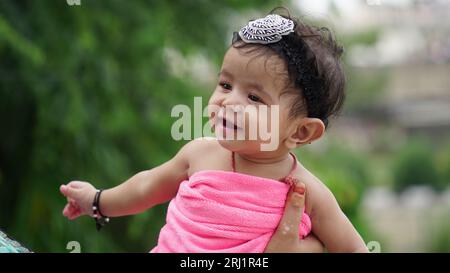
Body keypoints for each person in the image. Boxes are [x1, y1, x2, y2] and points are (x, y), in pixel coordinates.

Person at [59, 9, 368, 253]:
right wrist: (97, 200)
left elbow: (353, 247)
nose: (228, 101)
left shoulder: (305, 191)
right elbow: (146, 187)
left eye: (254, 97)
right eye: (225, 84)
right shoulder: (201, 153)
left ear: (300, 133)